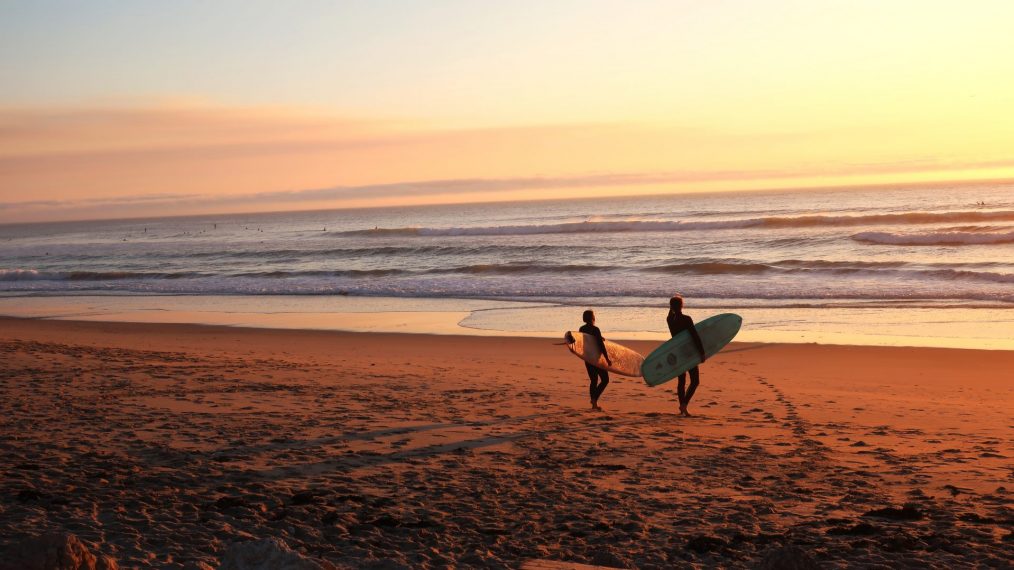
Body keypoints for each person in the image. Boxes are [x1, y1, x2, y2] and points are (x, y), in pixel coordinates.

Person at [667, 294, 706, 416]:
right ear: (682, 305)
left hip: (677, 353)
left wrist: (671, 308)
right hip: (688, 353)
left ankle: (682, 406)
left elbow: (670, 314)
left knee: (681, 381)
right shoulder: (686, 319)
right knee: (695, 381)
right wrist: (702, 352)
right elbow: (695, 336)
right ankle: (684, 405)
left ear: (671, 307)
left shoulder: (670, 320)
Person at [579, 309, 611, 411]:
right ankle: (594, 399)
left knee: (593, 380)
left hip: (587, 358)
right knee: (605, 380)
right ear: (592, 318)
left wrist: (599, 337)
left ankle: (594, 404)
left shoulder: (581, 329)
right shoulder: (596, 329)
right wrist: (607, 359)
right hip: (596, 358)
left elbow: (586, 340)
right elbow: (601, 346)